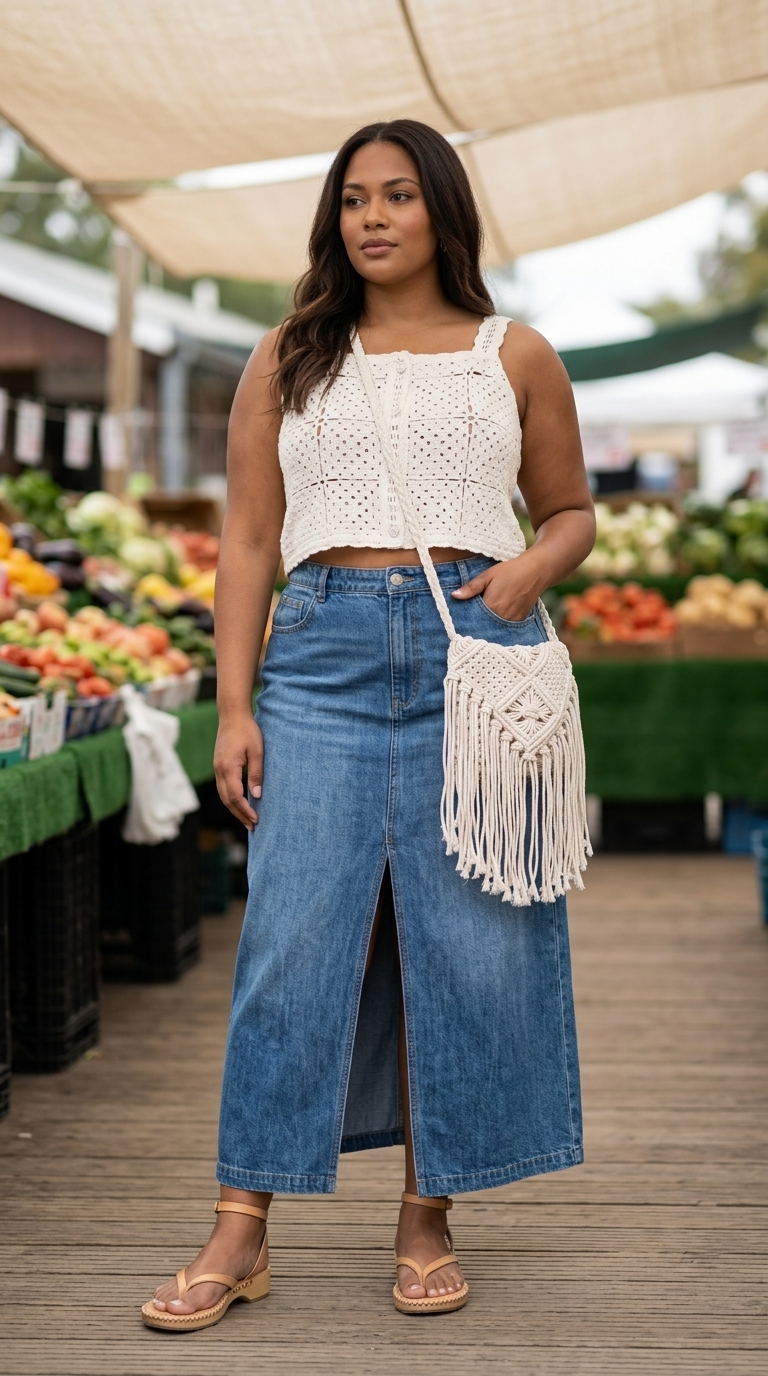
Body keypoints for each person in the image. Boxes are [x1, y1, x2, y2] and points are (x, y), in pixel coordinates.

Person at [142, 118, 595, 1331]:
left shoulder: (517, 355)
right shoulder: (289, 352)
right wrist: (235, 704)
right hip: (324, 652)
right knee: (291, 933)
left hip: (474, 651)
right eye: (354, 199)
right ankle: (242, 1226)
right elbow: (247, 538)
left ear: (444, 209)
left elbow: (568, 512)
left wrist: (521, 574)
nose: (374, 217)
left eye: (399, 195)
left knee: (462, 936)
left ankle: (425, 1213)